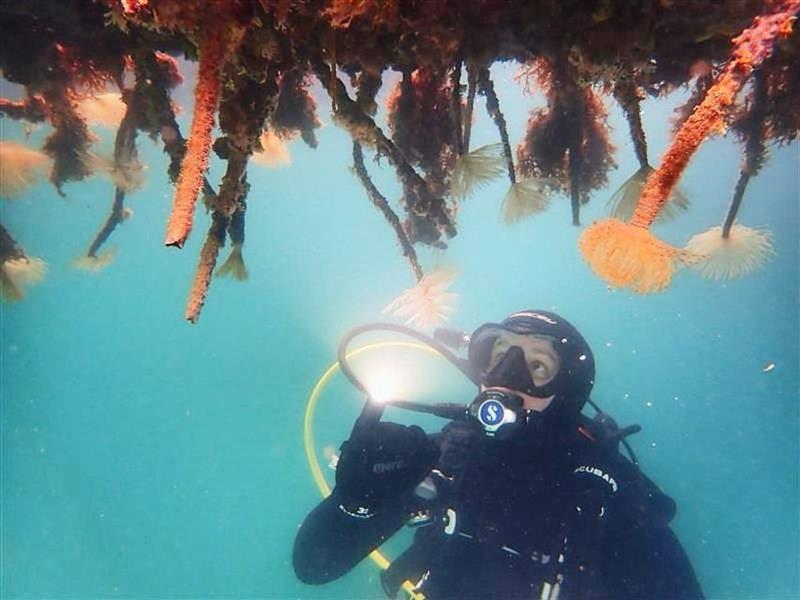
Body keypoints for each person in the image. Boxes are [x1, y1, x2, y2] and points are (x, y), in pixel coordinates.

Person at [293, 310, 704, 599]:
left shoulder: (598, 488)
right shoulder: (447, 458)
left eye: (537, 366)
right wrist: (355, 503)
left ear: (567, 393)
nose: (507, 376)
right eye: (499, 354)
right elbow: (315, 566)